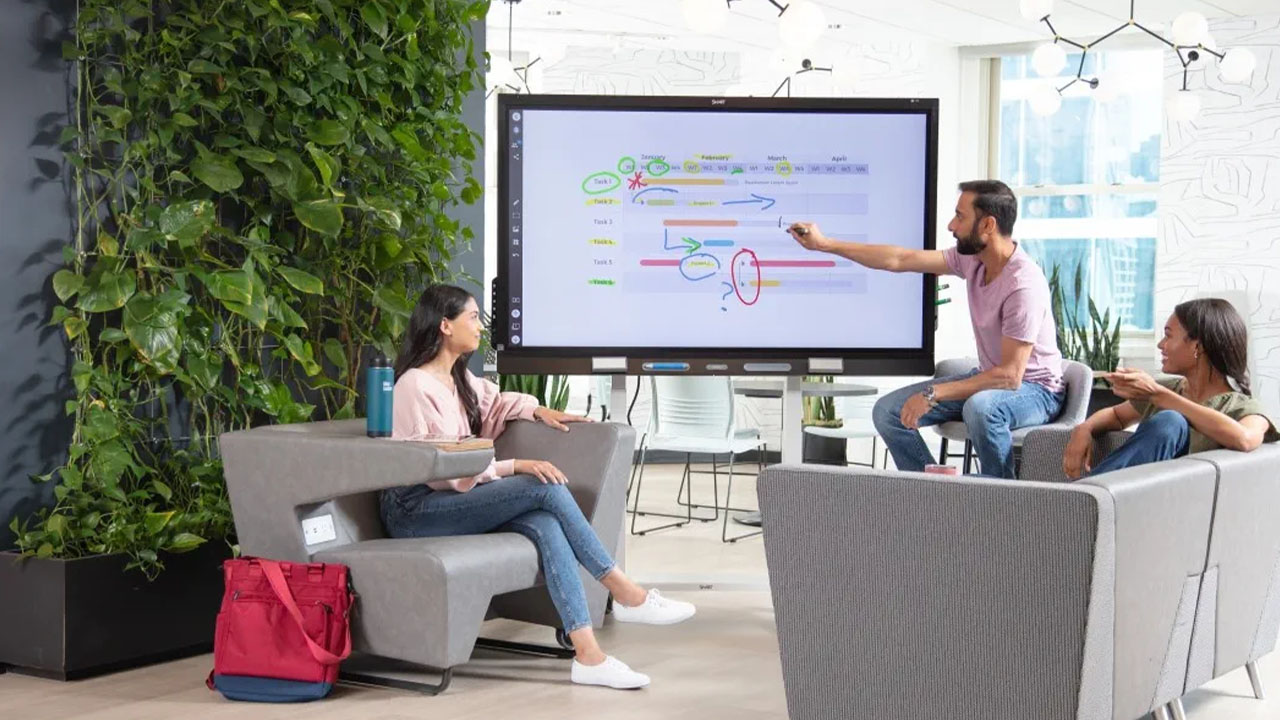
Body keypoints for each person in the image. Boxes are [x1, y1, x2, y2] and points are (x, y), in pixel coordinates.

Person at [379, 284, 696, 690]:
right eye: (473, 317)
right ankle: (622, 589)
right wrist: (514, 466)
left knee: (546, 522)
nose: (480, 326)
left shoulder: (459, 379)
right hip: (414, 509)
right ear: (445, 325)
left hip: (446, 501)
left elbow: (497, 403)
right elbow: (443, 469)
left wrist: (537, 409)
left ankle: (589, 656)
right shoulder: (413, 386)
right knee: (542, 487)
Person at [789, 179, 1064, 479]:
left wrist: (934, 393)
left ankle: (999, 502)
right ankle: (937, 495)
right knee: (888, 412)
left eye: (960, 217)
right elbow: (899, 259)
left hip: (1034, 389)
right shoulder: (973, 260)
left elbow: (1011, 376)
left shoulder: (1023, 285)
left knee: (982, 409)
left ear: (987, 225)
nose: (951, 225)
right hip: (991, 379)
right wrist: (825, 244)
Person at [1063, 298, 1278, 477]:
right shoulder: (1170, 389)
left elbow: (1245, 439)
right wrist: (1084, 428)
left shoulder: (1243, 407)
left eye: (1168, 335)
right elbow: (1117, 416)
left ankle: (1086, 497)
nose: (1160, 344)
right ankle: (1091, 498)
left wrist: (1158, 395)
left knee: (1171, 420)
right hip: (1141, 500)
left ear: (1197, 346)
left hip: (1183, 506)